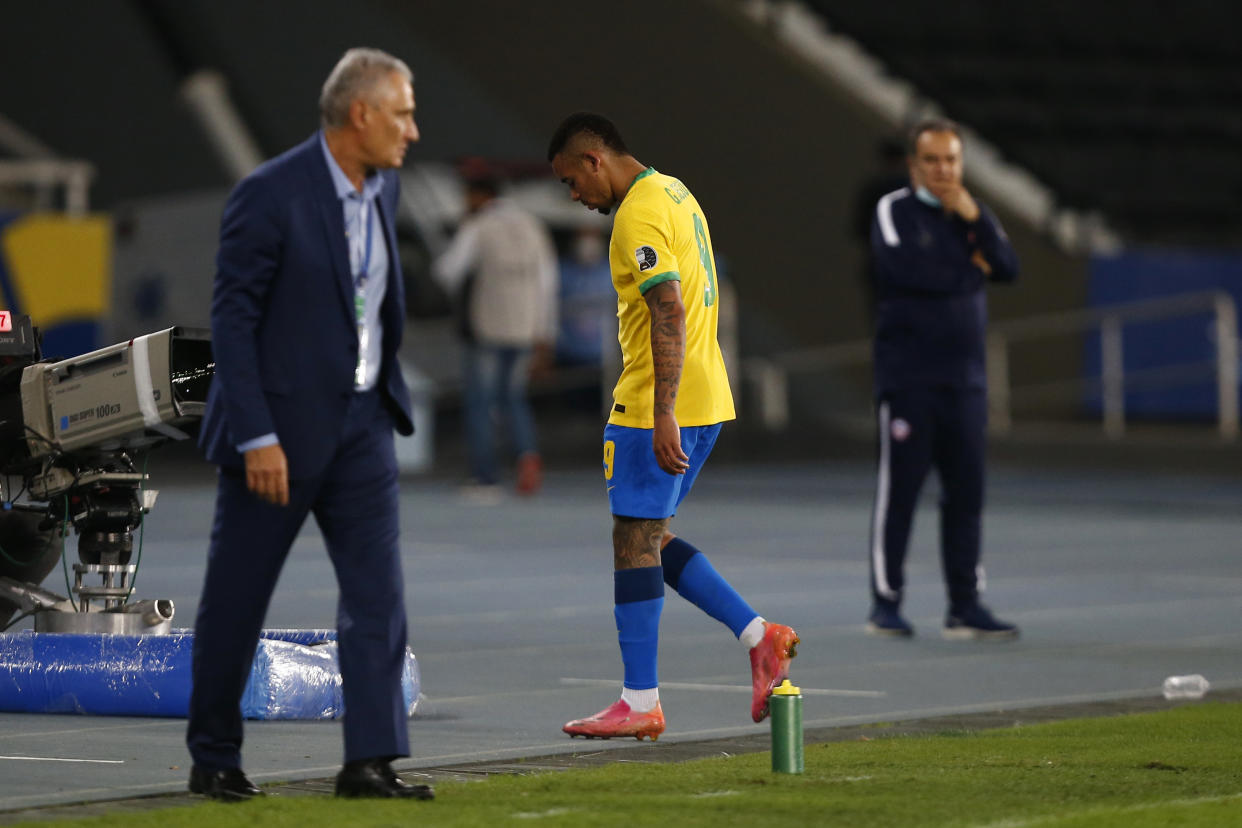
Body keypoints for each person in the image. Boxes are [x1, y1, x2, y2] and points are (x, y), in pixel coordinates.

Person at [188, 48, 433, 801]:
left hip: (362, 425)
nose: (413, 132)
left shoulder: (384, 187)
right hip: (279, 436)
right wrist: (256, 434)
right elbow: (231, 320)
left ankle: (370, 761)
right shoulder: (270, 193)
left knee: (377, 599)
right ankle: (215, 756)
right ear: (359, 115)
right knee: (238, 599)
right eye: (402, 114)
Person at [547, 112, 799, 740]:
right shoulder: (675, 191)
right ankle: (760, 637)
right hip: (708, 396)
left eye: (571, 182)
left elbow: (668, 307)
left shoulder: (636, 212)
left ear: (593, 160)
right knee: (652, 538)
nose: (574, 197)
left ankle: (640, 700)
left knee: (633, 541)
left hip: (658, 404)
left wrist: (660, 410)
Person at [866, 118, 1020, 640]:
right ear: (914, 165)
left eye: (951, 160)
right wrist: (973, 269)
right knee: (901, 494)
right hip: (909, 380)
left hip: (967, 383)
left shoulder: (972, 214)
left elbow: (1009, 266)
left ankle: (965, 605)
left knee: (967, 496)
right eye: (932, 160)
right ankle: (886, 603)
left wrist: (975, 221)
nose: (943, 170)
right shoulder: (893, 210)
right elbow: (908, 273)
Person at [432, 161, 558, 498]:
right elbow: (548, 282)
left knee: (480, 400)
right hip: (525, 328)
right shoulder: (532, 225)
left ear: (477, 196)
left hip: (487, 326)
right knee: (513, 397)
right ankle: (527, 454)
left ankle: (485, 476)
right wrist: (544, 331)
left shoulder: (479, 226)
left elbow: (448, 270)